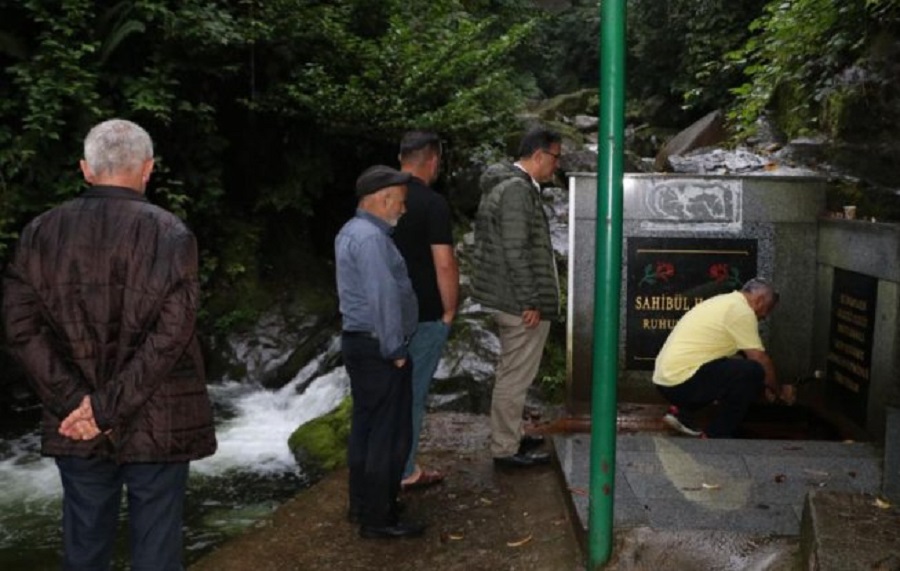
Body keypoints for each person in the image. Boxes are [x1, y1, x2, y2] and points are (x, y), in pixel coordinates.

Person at [2, 118, 217, 569]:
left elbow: (21, 328)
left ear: (85, 168)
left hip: (74, 421)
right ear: (147, 168)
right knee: (157, 552)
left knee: (84, 549)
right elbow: (170, 337)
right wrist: (106, 408)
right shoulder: (171, 234)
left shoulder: (39, 233)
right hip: (158, 417)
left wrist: (81, 407)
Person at [335, 165, 425, 539]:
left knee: (367, 430)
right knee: (388, 435)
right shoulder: (371, 239)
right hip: (379, 347)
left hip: (360, 343)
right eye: (400, 202)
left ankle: (364, 505)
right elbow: (383, 297)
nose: (403, 210)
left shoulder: (352, 231)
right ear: (383, 198)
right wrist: (395, 348)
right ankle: (380, 518)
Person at [471, 126, 562, 468]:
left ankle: (510, 435)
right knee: (515, 375)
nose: (557, 164)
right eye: (556, 156)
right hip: (516, 302)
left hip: (507, 297)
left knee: (513, 370)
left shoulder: (511, 186)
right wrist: (530, 301)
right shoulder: (515, 191)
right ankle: (505, 449)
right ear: (538, 155)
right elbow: (516, 250)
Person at [392, 131, 459, 490]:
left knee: (384, 394)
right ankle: (405, 471)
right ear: (432, 161)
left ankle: (379, 465)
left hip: (382, 315)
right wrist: (449, 311)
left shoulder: (377, 198)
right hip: (422, 314)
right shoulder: (432, 204)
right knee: (413, 395)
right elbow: (444, 263)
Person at [652, 277, 786, 438]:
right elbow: (760, 359)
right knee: (753, 371)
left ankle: (681, 413)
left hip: (666, 380)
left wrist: (766, 385)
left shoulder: (724, 301)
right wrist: (779, 391)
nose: (765, 316)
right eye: (768, 309)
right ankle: (716, 434)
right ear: (760, 300)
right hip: (681, 383)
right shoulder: (741, 311)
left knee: (736, 370)